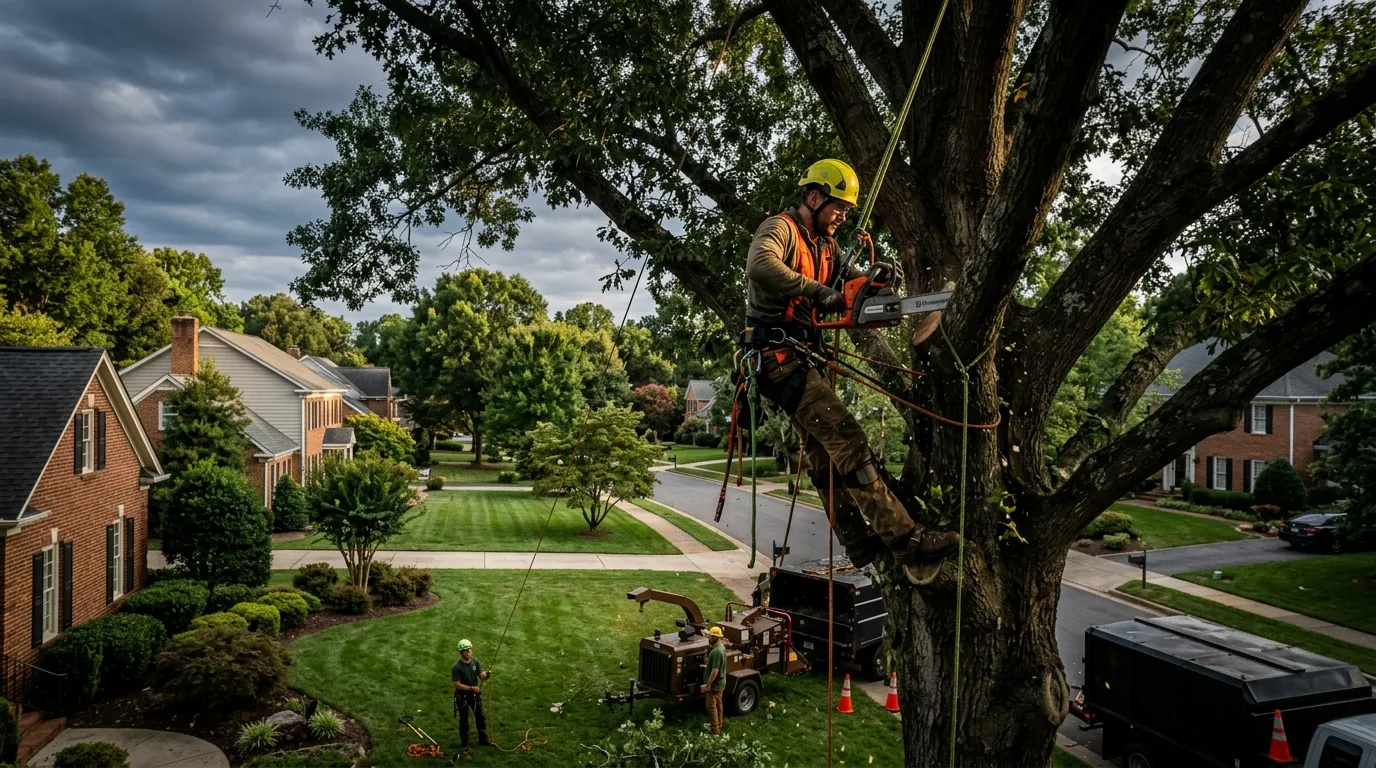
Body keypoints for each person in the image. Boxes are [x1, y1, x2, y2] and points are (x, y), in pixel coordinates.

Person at [744, 158, 959, 586]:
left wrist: (878, 285)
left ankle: (857, 539)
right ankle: (906, 540)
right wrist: (816, 291)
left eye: (846, 210)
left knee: (825, 454)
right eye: (838, 207)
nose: (843, 216)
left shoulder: (828, 246)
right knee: (847, 439)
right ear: (814, 197)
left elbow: (850, 285)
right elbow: (759, 265)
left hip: (799, 357)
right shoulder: (781, 228)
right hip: (776, 358)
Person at [451, 639, 491, 748]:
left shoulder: (475, 662)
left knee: (480, 717)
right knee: (464, 721)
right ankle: (465, 744)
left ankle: (483, 739)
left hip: (475, 696)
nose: (468, 652)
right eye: (465, 651)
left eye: (469, 650)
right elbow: (457, 684)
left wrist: (485, 675)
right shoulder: (456, 667)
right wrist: (471, 688)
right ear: (460, 652)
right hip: (462, 697)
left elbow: (481, 674)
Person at [700, 626, 727, 735]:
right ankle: (720, 724)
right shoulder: (722, 648)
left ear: (715, 637)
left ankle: (715, 731)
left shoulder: (716, 652)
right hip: (721, 682)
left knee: (711, 707)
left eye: (710, 636)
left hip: (715, 684)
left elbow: (715, 670)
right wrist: (707, 666)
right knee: (718, 704)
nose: (709, 638)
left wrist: (707, 685)